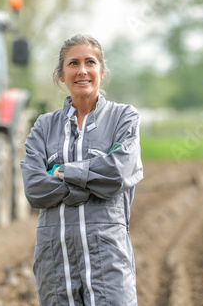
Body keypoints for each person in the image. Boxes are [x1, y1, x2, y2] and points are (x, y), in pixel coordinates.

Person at [20, 34, 143, 306]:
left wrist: (61, 171)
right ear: (62, 76)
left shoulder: (123, 118)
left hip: (107, 258)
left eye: (90, 62)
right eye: (73, 63)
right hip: (55, 261)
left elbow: (118, 173)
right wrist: (89, 183)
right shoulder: (43, 126)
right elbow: (34, 189)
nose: (82, 70)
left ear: (101, 70)